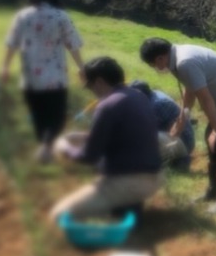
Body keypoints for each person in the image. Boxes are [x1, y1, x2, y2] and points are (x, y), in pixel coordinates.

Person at [139, 37, 216, 214]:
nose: (156, 68)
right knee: (209, 139)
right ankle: (212, 191)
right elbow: (190, 89)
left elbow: (205, 98)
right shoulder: (175, 58)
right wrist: (182, 118)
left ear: (159, 58)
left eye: (153, 64)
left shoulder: (185, 62)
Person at [47, 56, 162, 221]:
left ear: (99, 82)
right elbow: (125, 133)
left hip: (128, 182)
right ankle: (128, 207)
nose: (91, 91)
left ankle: (123, 203)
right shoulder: (137, 95)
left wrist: (64, 148)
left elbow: (89, 157)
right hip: (154, 177)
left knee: (58, 215)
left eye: (90, 86)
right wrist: (86, 136)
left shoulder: (107, 105)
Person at [1, 0, 86, 163]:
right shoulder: (61, 16)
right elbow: (73, 45)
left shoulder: (22, 16)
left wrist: (5, 67)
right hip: (55, 78)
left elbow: (11, 43)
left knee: (38, 114)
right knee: (56, 114)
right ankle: (47, 146)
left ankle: (44, 144)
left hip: (30, 78)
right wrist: (81, 67)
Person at [130, 79, 195, 170]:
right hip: (174, 135)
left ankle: (180, 160)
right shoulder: (152, 95)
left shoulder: (157, 104)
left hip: (184, 141)